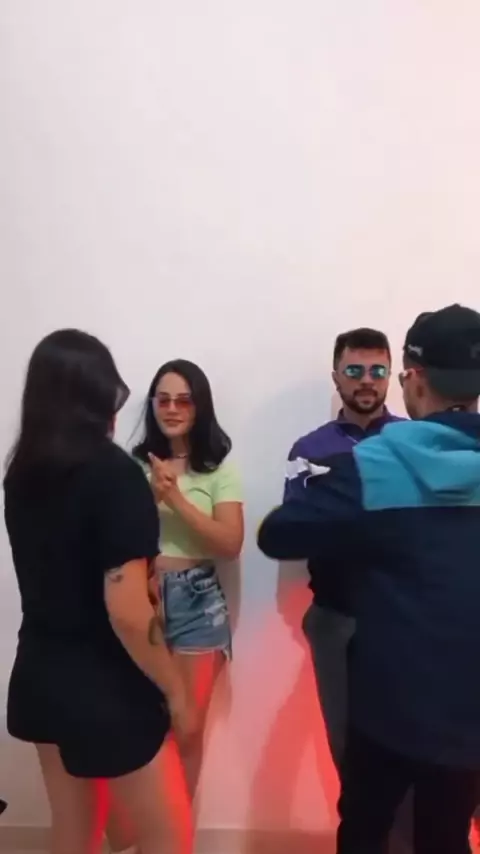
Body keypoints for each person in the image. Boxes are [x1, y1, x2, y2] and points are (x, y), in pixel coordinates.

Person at [258, 304, 480, 853]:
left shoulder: (374, 463)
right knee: (447, 832)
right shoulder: (344, 452)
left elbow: (277, 535)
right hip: (467, 703)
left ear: (412, 379)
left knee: (365, 824)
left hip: (389, 695)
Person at [4, 330, 195, 854]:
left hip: (40, 675)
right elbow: (128, 611)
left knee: (75, 831)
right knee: (169, 837)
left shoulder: (23, 475)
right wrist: (176, 691)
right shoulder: (114, 474)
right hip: (106, 687)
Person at [284, 327, 402, 771]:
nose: (366, 381)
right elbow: (294, 530)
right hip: (335, 617)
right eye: (354, 371)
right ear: (336, 376)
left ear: (391, 375)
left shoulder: (415, 441)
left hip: (406, 613)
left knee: (412, 742)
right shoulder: (309, 450)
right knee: (347, 746)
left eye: (377, 371)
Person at [132, 359, 244, 797]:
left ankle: (176, 832)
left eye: (183, 400)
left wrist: (174, 498)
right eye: (163, 400)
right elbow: (118, 538)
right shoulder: (134, 468)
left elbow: (230, 543)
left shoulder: (219, 471)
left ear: (200, 407)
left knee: (188, 726)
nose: (172, 409)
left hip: (198, 601)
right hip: (141, 601)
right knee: (143, 724)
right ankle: (146, 829)